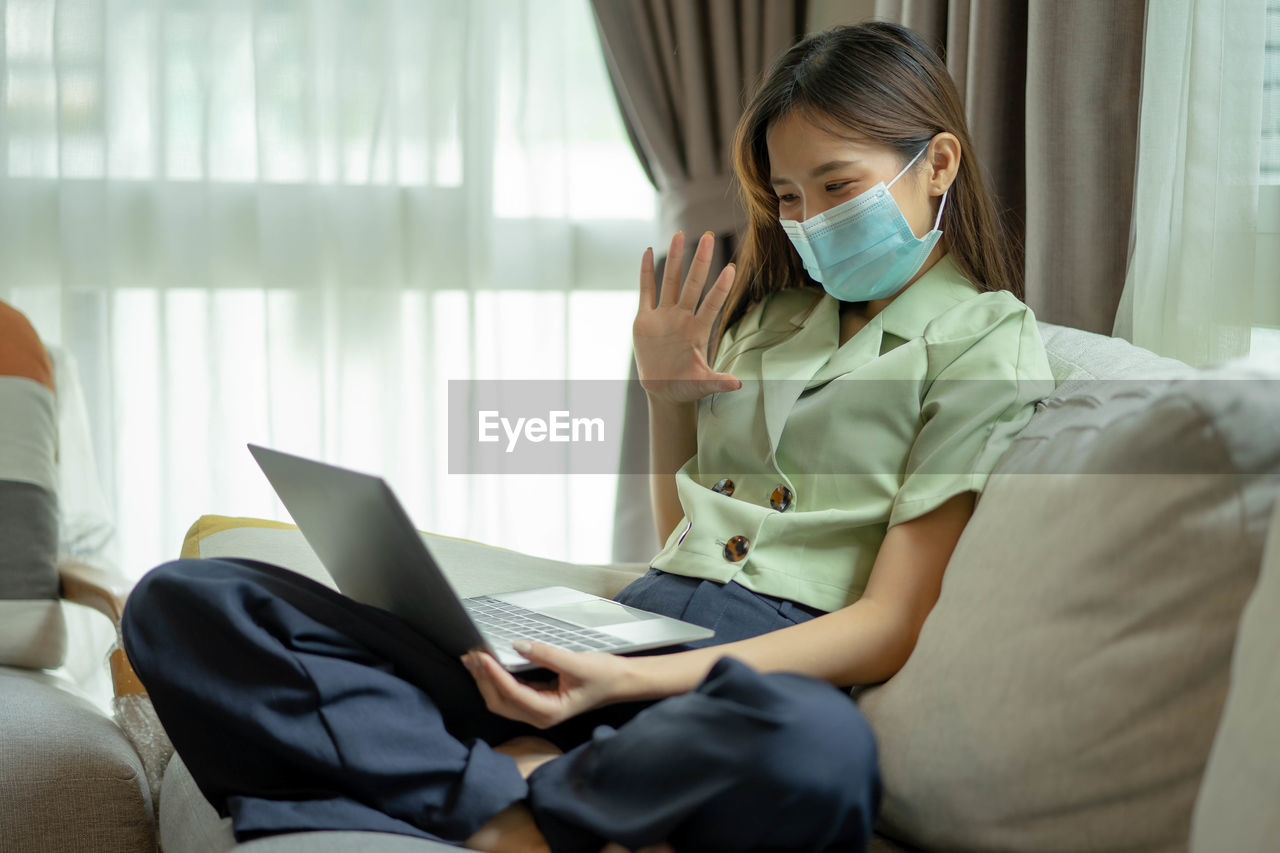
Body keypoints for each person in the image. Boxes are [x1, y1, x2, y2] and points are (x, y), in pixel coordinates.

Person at [121, 21, 1053, 853]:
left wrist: (625, 683)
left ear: (937, 163)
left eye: (836, 185)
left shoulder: (984, 340)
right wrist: (666, 393)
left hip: (742, 678)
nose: (807, 220)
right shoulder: (772, 320)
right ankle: (519, 804)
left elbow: (888, 625)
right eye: (789, 196)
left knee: (820, 751)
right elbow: (682, 540)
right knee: (187, 600)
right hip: (632, 626)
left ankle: (485, 784)